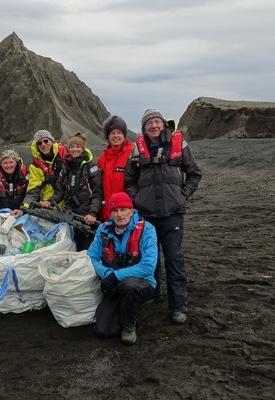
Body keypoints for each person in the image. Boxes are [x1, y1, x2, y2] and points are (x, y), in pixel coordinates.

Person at [125, 109, 202, 324]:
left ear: (164, 125)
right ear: (143, 129)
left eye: (157, 122)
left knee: (174, 259)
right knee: (150, 258)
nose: (154, 126)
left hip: (172, 214)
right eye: (149, 123)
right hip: (147, 214)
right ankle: (154, 293)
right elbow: (129, 180)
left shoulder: (179, 146)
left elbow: (195, 173)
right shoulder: (136, 151)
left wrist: (182, 195)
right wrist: (137, 199)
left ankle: (178, 306)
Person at [87, 192, 157, 345]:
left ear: (131, 211)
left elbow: (148, 266)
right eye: (115, 211)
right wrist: (105, 273)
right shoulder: (103, 230)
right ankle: (121, 309)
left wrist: (115, 276)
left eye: (124, 209)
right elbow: (90, 257)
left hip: (141, 283)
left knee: (129, 287)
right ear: (110, 213)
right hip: (113, 284)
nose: (119, 214)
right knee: (103, 331)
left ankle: (128, 327)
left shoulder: (147, 229)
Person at [48, 132, 102, 251]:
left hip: (86, 217)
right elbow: (60, 191)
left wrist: (93, 213)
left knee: (84, 250)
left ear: (83, 148)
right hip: (68, 215)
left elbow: (97, 193)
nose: (75, 149)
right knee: (67, 248)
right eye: (72, 147)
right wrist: (50, 202)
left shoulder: (91, 167)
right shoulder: (65, 166)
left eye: (78, 146)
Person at [97, 115, 134, 222]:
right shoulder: (102, 159)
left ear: (124, 135)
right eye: (112, 133)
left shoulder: (132, 154)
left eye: (119, 132)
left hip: (125, 213)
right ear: (107, 136)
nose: (116, 136)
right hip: (107, 212)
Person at [22, 129, 67, 209]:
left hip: (69, 202)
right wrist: (24, 208)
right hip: (49, 205)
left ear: (52, 141)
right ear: (37, 146)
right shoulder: (35, 166)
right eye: (39, 143)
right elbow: (33, 190)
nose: (43, 144)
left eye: (46, 141)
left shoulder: (66, 155)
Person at [0, 149, 28, 217]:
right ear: (1, 164)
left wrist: (23, 210)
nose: (8, 165)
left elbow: (31, 195)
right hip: (1, 215)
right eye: (5, 163)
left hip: (21, 214)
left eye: (11, 162)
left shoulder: (25, 176)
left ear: (16, 162)